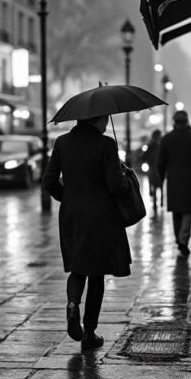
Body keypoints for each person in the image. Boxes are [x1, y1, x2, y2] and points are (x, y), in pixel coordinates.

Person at [42, 114, 132, 350]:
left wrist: (69, 198)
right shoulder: (106, 144)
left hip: (71, 215)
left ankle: (73, 303)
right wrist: (125, 179)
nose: (106, 123)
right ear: (96, 120)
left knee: (78, 266)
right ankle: (89, 332)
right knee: (97, 274)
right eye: (104, 119)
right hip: (101, 216)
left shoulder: (62, 142)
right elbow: (115, 186)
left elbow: (49, 181)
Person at [157, 110, 191, 255]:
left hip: (173, 180)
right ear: (187, 122)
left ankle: (179, 238)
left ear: (174, 122)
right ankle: (183, 239)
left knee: (176, 212)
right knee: (188, 211)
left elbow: (160, 163)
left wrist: (161, 180)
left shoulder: (167, 139)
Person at [142, 129, 163, 215]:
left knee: (159, 185)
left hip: (158, 168)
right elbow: (144, 156)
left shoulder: (159, 145)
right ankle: (156, 202)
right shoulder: (152, 146)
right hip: (154, 168)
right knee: (155, 185)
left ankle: (160, 201)